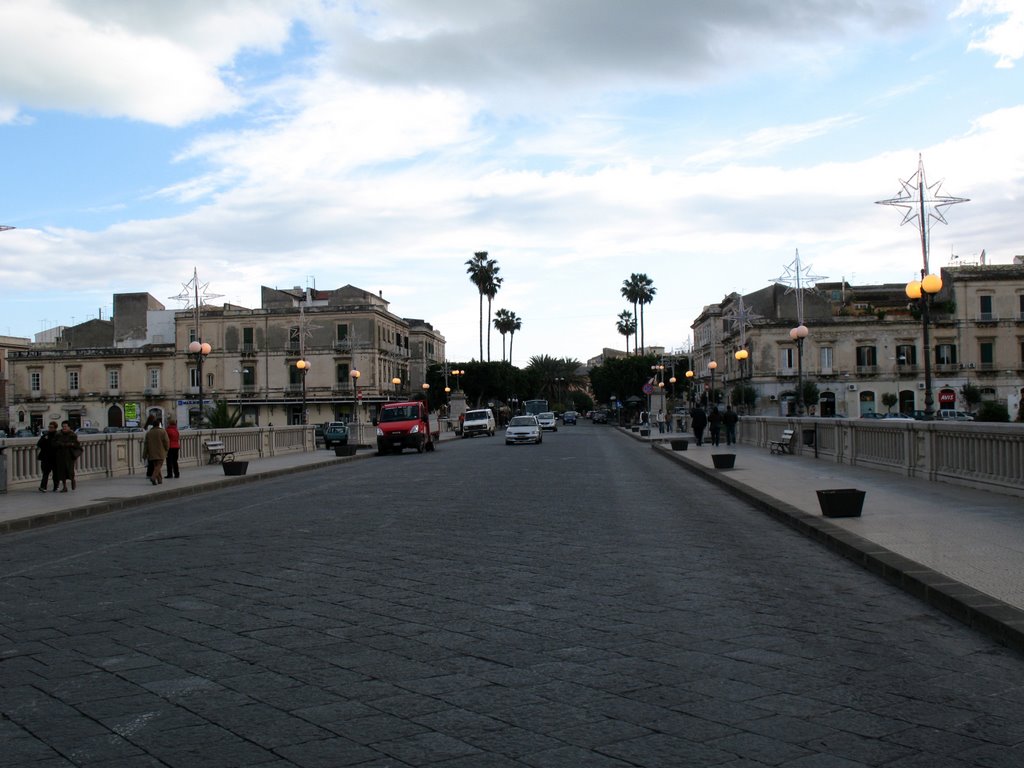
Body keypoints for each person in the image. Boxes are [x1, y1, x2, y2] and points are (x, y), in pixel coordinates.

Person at [53, 421, 81, 492]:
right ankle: (64, 486)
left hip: (69, 455)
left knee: (70, 469)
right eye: (63, 426)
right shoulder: (58, 434)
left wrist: (70, 444)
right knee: (61, 471)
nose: (64, 428)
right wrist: (60, 444)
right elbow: (54, 443)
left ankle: (72, 480)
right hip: (60, 455)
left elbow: (77, 444)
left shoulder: (72, 435)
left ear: (69, 427)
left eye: (65, 426)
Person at [144, 417, 170, 485]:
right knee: (159, 466)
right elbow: (166, 442)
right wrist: (167, 448)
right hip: (160, 451)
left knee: (156, 466)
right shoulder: (163, 431)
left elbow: (146, 444)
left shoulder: (149, 433)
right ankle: (153, 477)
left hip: (151, 452)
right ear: (159, 425)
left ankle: (159, 480)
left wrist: (144, 454)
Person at [36, 421, 59, 492]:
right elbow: (39, 444)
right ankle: (43, 487)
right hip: (46, 457)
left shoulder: (57, 435)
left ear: (55, 428)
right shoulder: (46, 435)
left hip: (55, 457)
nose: (50, 429)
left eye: (51, 427)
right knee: (45, 473)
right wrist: (44, 439)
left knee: (55, 473)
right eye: (49, 427)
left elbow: (58, 445)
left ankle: (56, 486)